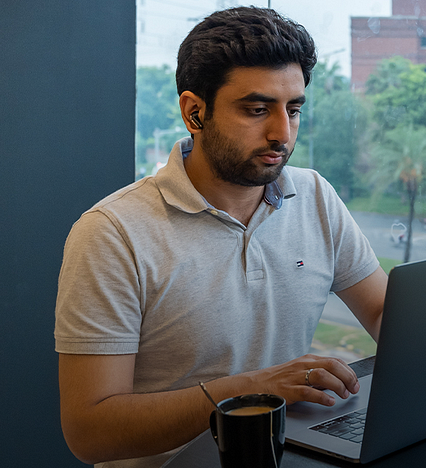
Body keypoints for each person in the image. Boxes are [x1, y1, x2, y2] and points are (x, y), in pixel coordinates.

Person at [54, 7, 387, 467]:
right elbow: (90, 432)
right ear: (195, 112)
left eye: (293, 110)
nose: (282, 133)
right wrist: (254, 389)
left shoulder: (315, 196)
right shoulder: (112, 234)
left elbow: (384, 312)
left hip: (290, 456)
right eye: (257, 109)